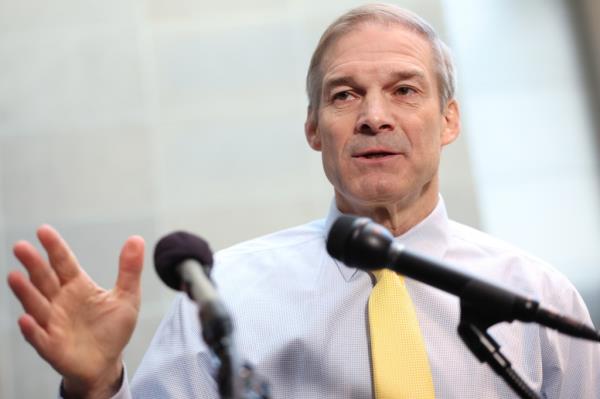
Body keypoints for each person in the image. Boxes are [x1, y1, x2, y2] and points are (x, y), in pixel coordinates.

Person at [7, 4, 600, 398]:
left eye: (404, 91)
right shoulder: (223, 294)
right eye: (345, 96)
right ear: (315, 129)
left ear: (448, 120)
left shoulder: (538, 299)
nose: (373, 117)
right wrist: (97, 385)